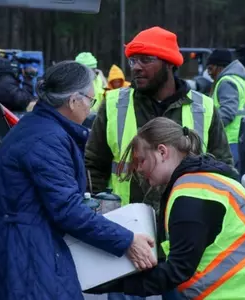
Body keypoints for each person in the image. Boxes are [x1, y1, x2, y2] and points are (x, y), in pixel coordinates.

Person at [0, 61, 157, 300]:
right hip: (27, 256)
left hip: (22, 247)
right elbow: (67, 210)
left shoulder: (37, 128)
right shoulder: (46, 140)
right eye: (90, 101)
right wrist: (127, 240)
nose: (90, 109)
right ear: (73, 100)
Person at [85, 26, 234, 300]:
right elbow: (93, 164)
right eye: (132, 60)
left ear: (169, 64)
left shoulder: (203, 106)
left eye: (145, 60)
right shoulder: (113, 104)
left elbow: (224, 168)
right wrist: (98, 217)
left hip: (183, 236)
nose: (136, 68)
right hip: (126, 233)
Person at [86, 117, 245, 300]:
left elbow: (178, 270)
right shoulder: (200, 181)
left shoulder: (191, 195)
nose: (139, 169)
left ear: (162, 152)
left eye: (141, 160)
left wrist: (109, 283)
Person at [207, 49, 245, 169]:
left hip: (230, 142)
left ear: (220, 67)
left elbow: (227, 112)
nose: (208, 73)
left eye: (210, 68)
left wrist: (208, 125)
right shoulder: (240, 80)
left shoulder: (226, 82)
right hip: (244, 139)